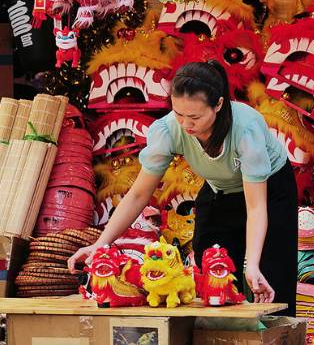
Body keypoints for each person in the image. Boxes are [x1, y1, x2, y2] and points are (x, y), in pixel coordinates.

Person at [68, 60, 297, 314]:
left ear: (219, 105)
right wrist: (100, 245)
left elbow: (255, 208)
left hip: (270, 191)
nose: (186, 125)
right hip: (219, 190)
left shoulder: (245, 130)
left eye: (195, 117)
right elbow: (138, 194)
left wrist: (252, 265)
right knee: (212, 274)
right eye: (179, 114)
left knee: (271, 278)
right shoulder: (168, 130)